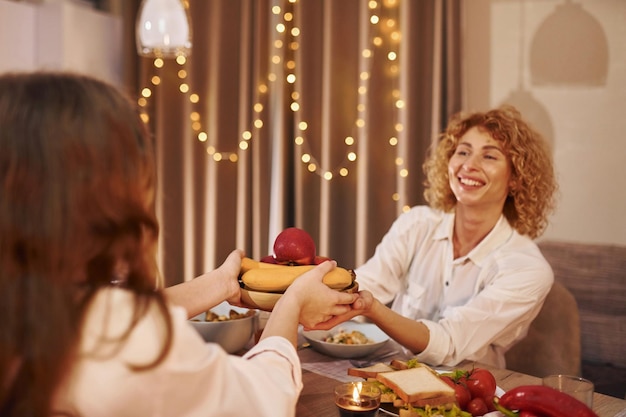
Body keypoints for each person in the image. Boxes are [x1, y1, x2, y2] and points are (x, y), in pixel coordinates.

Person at [0, 71, 359, 417]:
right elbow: (262, 398)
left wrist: (219, 283)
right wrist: (292, 302)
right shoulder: (127, 343)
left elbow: (104, 311)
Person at [319, 105, 558, 369]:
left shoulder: (527, 269)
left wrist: (371, 308)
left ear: (516, 178)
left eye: (489, 157)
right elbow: (368, 282)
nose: (469, 165)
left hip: (465, 392)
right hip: (389, 374)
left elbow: (449, 344)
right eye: (463, 151)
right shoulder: (417, 224)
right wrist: (304, 288)